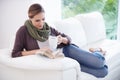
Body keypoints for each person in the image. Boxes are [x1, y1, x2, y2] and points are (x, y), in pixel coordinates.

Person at [11, 3, 108, 78]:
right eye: (37, 20)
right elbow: (15, 53)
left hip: (67, 50)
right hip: (60, 59)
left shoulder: (48, 28)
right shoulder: (23, 31)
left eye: (43, 19)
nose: (41, 23)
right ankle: (95, 53)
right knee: (103, 72)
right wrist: (37, 51)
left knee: (99, 62)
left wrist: (63, 39)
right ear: (30, 18)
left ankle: (97, 51)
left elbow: (68, 38)